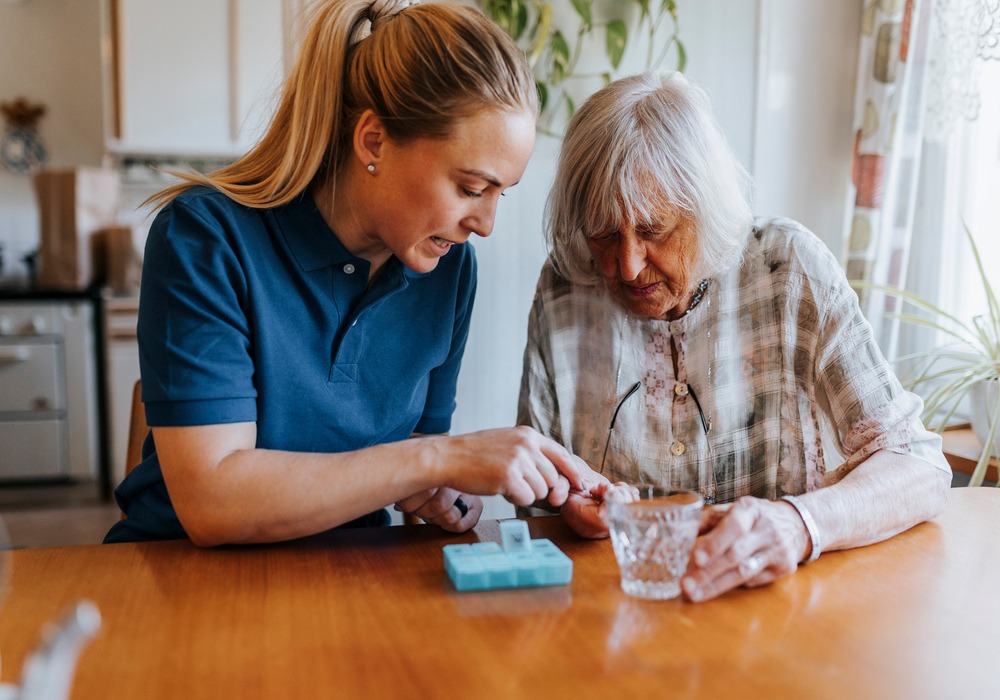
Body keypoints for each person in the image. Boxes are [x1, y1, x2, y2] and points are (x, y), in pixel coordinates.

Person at [104, 0, 600, 546]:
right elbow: (212, 501)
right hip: (182, 584)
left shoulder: (448, 271)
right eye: (471, 188)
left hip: (352, 574)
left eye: (500, 194)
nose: (484, 224)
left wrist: (442, 489)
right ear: (374, 141)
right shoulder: (205, 238)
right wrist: (438, 458)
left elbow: (408, 461)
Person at [517, 71, 951, 601]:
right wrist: (567, 502)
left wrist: (796, 524)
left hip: (773, 611)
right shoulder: (565, 286)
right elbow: (534, 489)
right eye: (604, 234)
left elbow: (919, 466)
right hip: (613, 613)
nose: (627, 267)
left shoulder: (787, 269)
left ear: (703, 207)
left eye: (653, 230)